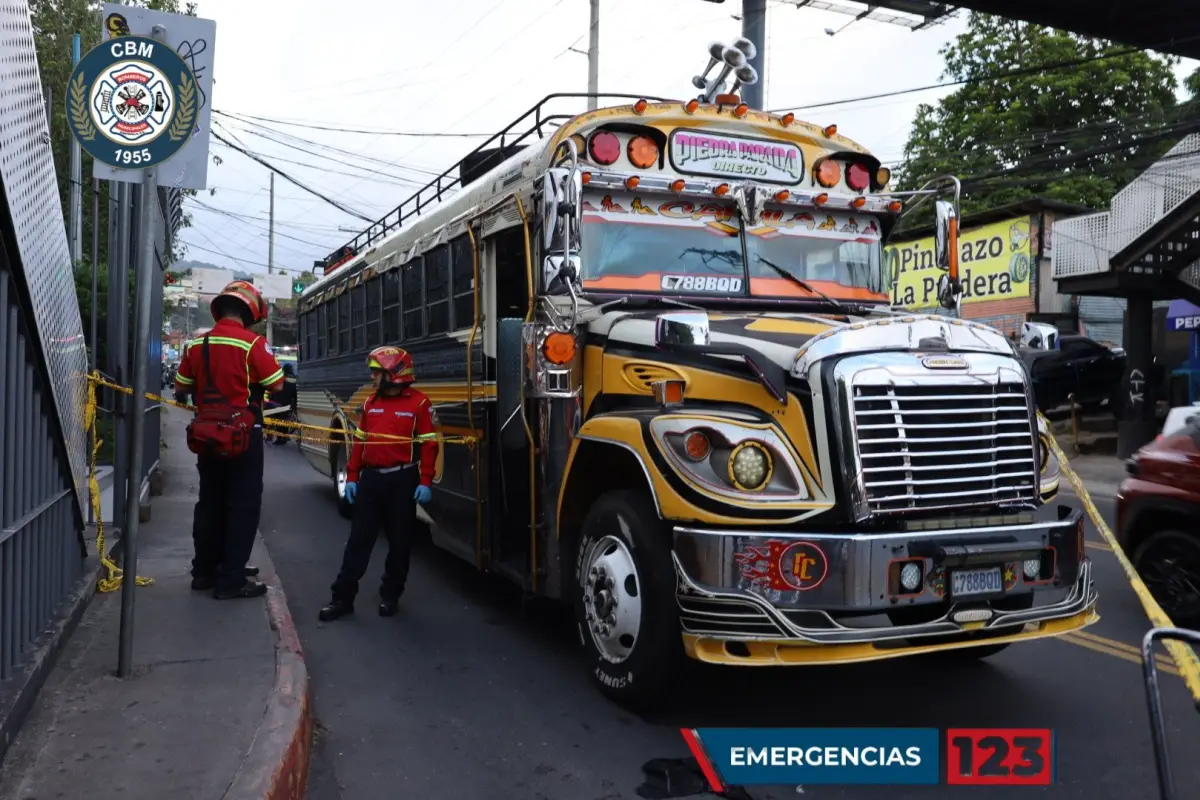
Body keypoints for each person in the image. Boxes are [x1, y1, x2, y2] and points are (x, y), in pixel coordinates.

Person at [174, 280, 285, 599]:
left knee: (210, 502)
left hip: (206, 435)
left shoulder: (197, 345)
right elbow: (276, 384)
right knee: (243, 505)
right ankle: (231, 579)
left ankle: (205, 571)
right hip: (242, 435)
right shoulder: (252, 343)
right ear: (250, 312)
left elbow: (181, 385)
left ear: (219, 310)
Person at [318, 346, 437, 621]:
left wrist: (426, 480)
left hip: (402, 480)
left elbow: (429, 445)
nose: (372, 379)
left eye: (376, 373)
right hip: (371, 481)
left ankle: (390, 595)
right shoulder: (371, 403)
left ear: (393, 373)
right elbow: (360, 442)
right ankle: (342, 599)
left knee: (400, 543)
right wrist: (353, 476)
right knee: (358, 541)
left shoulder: (419, 404)